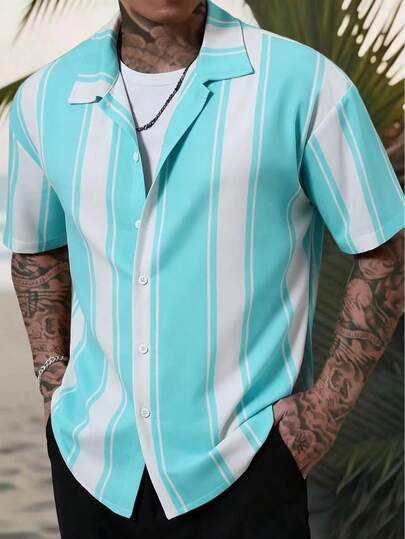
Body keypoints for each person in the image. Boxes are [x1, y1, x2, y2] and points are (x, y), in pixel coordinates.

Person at [3, 0, 404, 537]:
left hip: (249, 464)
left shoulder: (305, 85)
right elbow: (35, 249)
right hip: (92, 466)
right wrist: (53, 380)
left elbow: (386, 252)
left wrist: (320, 418)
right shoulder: (45, 98)